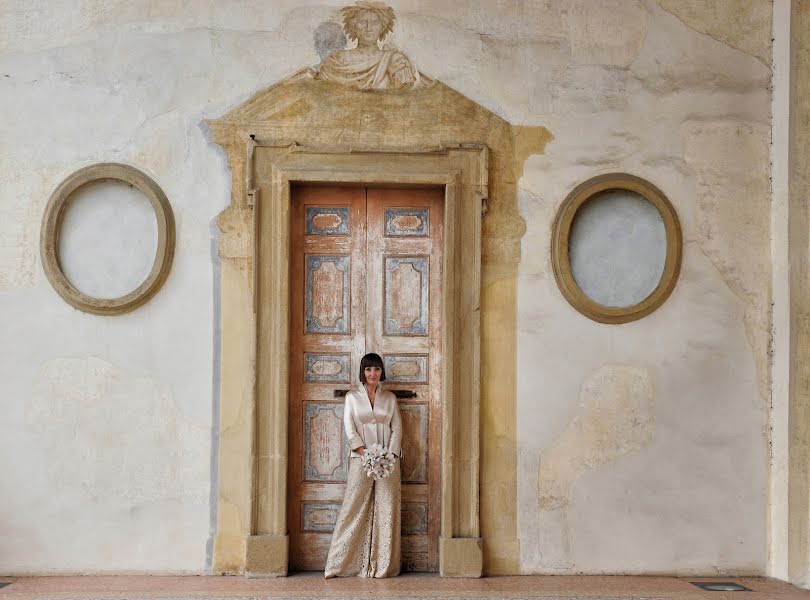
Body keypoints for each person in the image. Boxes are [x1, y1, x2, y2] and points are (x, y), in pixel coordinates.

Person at [324, 352, 403, 578]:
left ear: (381, 372)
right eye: (368, 369)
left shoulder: (390, 398)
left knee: (387, 508)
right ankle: (338, 564)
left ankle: (383, 566)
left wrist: (390, 455)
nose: (373, 373)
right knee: (353, 507)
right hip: (361, 460)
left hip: (388, 461)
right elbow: (350, 428)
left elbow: (397, 428)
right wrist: (364, 452)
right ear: (363, 372)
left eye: (376, 369)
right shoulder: (352, 397)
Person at [317, 1, 421, 90]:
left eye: (375, 22)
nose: (368, 28)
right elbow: (323, 89)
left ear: (382, 27)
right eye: (362, 22)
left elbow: (404, 94)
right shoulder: (337, 59)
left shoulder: (393, 59)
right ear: (353, 26)